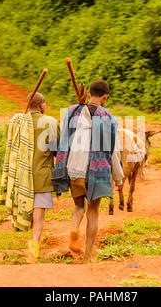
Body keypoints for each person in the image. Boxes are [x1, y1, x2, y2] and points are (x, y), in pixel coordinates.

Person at [52, 80, 124, 263]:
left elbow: (64, 138)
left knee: (78, 206)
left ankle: (74, 227)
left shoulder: (72, 112)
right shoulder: (108, 118)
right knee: (93, 212)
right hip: (96, 170)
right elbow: (112, 150)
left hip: (74, 167)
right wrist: (118, 177)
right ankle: (87, 256)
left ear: (89, 93)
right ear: (105, 97)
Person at [0, 92, 60, 263]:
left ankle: (29, 238)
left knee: (29, 208)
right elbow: (58, 150)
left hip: (20, 175)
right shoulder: (50, 122)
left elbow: (10, 143)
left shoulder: (16, 122)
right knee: (39, 213)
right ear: (41, 105)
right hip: (43, 174)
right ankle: (34, 248)